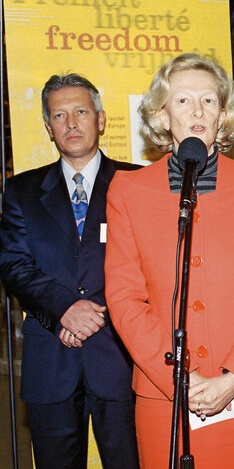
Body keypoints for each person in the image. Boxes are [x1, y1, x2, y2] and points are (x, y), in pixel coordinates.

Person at [104, 53, 234, 468]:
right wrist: (178, 380)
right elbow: (124, 299)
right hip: (165, 398)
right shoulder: (127, 191)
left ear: (223, 114)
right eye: (183, 100)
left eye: (209, 101)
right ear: (161, 114)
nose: (197, 111)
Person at [0, 73, 139, 469]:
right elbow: (14, 264)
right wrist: (65, 309)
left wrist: (94, 316)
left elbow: (150, 265)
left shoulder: (136, 183)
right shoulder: (21, 191)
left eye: (80, 111)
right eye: (59, 116)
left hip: (121, 355)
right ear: (48, 127)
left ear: (101, 118)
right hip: (51, 359)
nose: (71, 123)